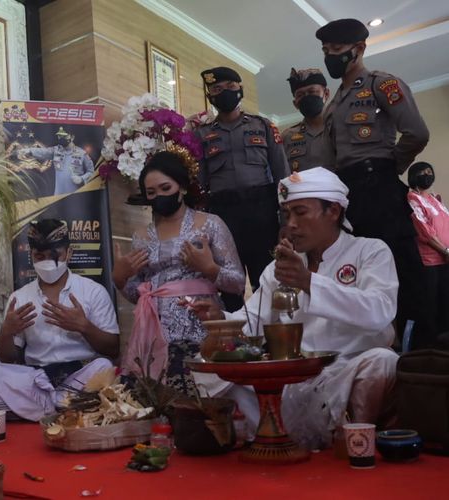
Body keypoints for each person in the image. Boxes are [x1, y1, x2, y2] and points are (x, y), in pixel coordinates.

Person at [189, 167, 399, 449]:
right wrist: (220, 319)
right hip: (289, 381)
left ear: (333, 211)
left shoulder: (370, 251)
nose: (292, 224)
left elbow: (380, 311)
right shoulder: (280, 268)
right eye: (287, 215)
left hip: (343, 374)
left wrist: (309, 282)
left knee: (383, 361)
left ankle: (353, 443)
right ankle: (257, 435)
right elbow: (250, 320)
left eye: (301, 212)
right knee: (205, 366)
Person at [317, 18, 430, 344]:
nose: (329, 56)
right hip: (347, 194)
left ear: (359, 48)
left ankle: (418, 356)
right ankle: (370, 350)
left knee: (400, 269)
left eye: (336, 49)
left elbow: (416, 133)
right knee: (358, 273)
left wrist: (389, 166)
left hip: (378, 188)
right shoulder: (333, 104)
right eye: (325, 50)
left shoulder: (381, 83)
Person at [113, 150, 245, 395]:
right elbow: (138, 293)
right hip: (153, 333)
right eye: (151, 193)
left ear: (182, 187)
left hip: (200, 331)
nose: (159, 197)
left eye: (165, 188)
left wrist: (209, 269)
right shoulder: (142, 236)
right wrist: (120, 279)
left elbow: (237, 282)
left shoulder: (210, 223)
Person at [0, 219, 119, 421]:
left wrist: (84, 327)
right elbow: (7, 358)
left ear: (69, 253)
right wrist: (7, 332)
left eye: (55, 256)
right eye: (40, 256)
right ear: (31, 255)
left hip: (79, 375)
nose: (48, 262)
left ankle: (33, 410)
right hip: (35, 379)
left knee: (104, 366)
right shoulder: (19, 298)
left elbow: (114, 349)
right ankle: (62, 406)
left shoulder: (93, 292)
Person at [196, 66, 290, 311]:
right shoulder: (202, 134)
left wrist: (287, 221)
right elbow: (198, 183)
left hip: (262, 210)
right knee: (228, 282)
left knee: (267, 279)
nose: (224, 92)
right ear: (209, 96)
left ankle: (273, 340)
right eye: (217, 89)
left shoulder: (264, 126)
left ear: (241, 90)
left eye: (230, 87)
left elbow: (283, 176)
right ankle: (235, 341)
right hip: (223, 214)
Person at [407, 161, 449, 349]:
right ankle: (429, 350)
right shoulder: (412, 198)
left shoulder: (433, 198)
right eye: (423, 172)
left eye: (430, 172)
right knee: (430, 307)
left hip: (445, 260)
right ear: (414, 175)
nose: (427, 175)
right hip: (430, 261)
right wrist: (445, 251)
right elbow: (425, 231)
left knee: (444, 303)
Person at [282, 68, 334, 172]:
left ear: (326, 94)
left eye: (312, 91)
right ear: (295, 104)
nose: (307, 97)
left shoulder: (341, 126)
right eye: (300, 95)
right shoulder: (287, 136)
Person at [18, 127, 95, 195]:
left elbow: (91, 171)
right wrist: (30, 150)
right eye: (60, 135)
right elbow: (44, 151)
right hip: (58, 195)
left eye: (64, 136)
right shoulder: (56, 150)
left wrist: (82, 178)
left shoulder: (82, 153)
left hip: (76, 196)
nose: (61, 138)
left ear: (72, 137)